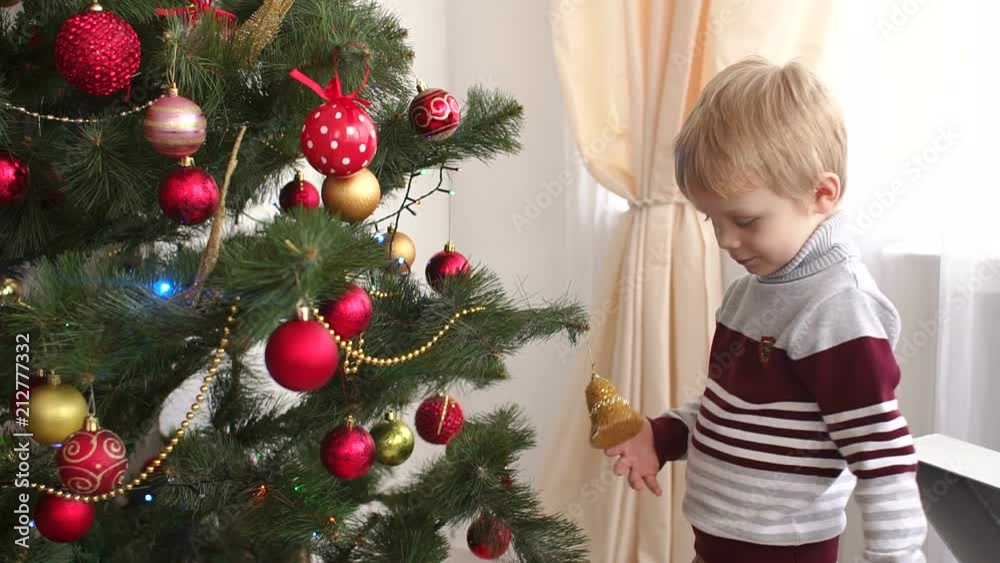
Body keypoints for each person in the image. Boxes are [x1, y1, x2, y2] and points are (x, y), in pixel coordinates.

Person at [604, 58, 927, 563]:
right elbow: (730, 411)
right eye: (713, 219)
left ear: (822, 194)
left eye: (745, 220)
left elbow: (882, 456)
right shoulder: (753, 291)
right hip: (717, 543)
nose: (726, 240)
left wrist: (896, 556)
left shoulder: (837, 309)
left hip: (783, 550)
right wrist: (662, 436)